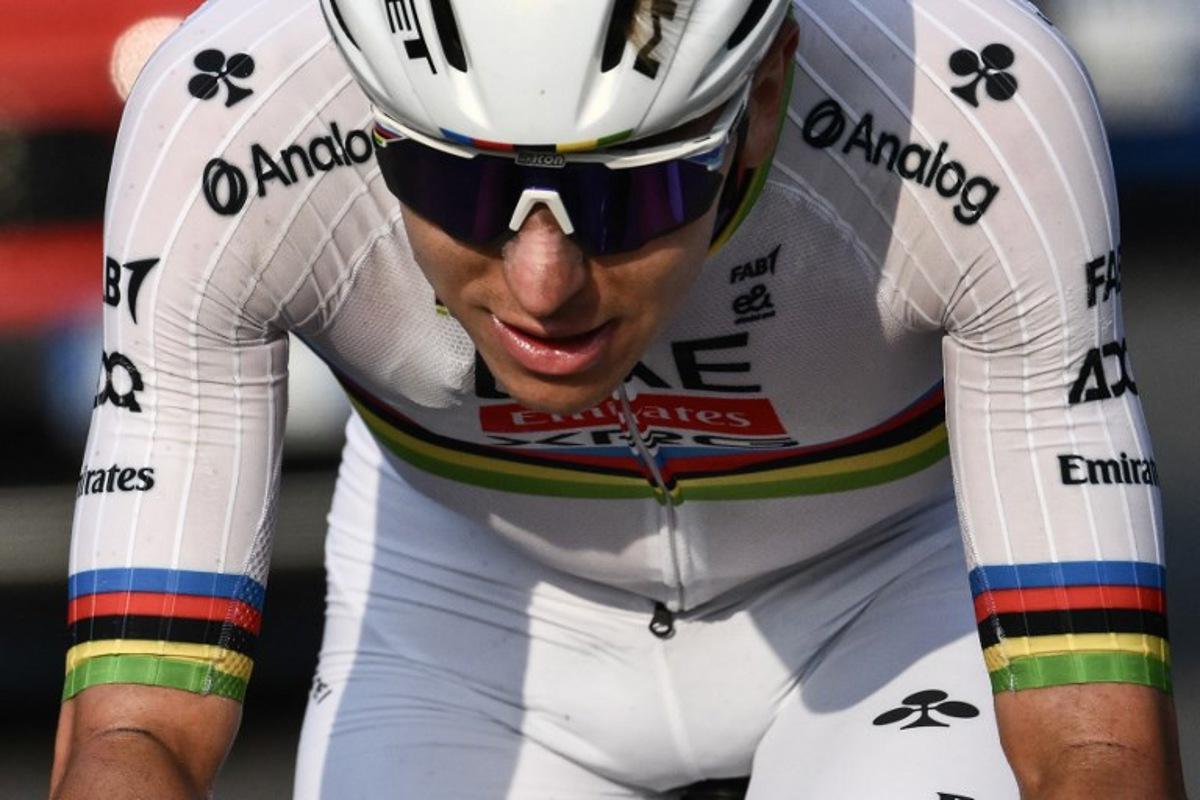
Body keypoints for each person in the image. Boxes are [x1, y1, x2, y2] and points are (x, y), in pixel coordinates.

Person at [50, 0, 1186, 797]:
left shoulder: (972, 106)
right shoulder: (230, 113)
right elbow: (134, 731)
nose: (544, 283)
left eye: (629, 192)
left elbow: (1096, 746)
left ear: (765, 91)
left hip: (885, 599)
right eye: (457, 183)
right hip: (469, 611)